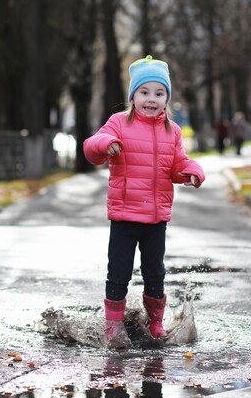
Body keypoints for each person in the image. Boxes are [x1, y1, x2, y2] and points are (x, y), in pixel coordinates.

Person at [83, 55, 205, 348]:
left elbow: (177, 164)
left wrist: (191, 172)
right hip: (125, 217)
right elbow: (91, 148)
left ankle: (156, 323)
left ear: (167, 98)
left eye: (159, 93)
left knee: (155, 273)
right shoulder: (118, 124)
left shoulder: (171, 131)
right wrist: (105, 144)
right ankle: (113, 326)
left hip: (156, 220)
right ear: (133, 96)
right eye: (145, 92)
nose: (151, 99)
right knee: (119, 272)